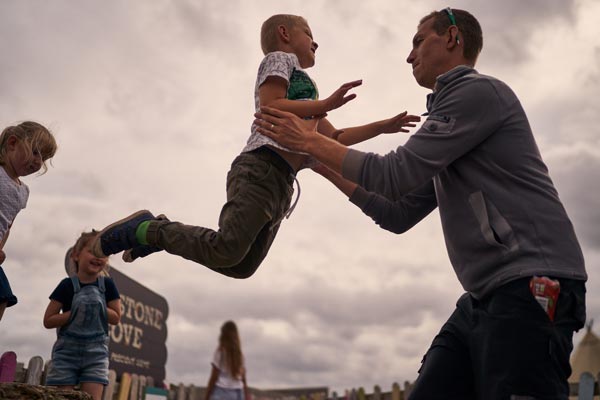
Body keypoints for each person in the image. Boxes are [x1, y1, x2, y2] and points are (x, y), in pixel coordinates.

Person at [253, 8, 587, 400]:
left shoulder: (478, 94)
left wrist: (313, 142)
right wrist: (320, 162)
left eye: (417, 41)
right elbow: (397, 213)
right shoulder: (448, 123)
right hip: (483, 298)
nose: (409, 56)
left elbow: (394, 173)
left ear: (451, 39)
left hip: (531, 283)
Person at [90, 14, 420, 279]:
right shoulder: (280, 60)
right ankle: (148, 230)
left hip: (281, 184)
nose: (315, 40)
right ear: (285, 33)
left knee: (241, 266)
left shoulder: (308, 92)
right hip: (261, 168)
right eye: (308, 32)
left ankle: (157, 234)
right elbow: (271, 104)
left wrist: (382, 127)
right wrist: (328, 103)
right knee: (226, 249)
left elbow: (333, 139)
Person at [44, 231, 122, 400]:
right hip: (66, 354)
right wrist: (74, 313)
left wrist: (98, 306)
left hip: (96, 354)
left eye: (103, 253)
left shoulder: (108, 285)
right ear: (76, 255)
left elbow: (116, 317)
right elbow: (48, 320)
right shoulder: (66, 285)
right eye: (92, 251)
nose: (98, 257)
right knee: (61, 397)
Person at [0, 121, 57, 321]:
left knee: (3, 296)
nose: (38, 161)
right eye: (35, 152)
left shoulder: (23, 191)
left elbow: (8, 224)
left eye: (44, 158)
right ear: (12, 143)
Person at [204, 321, 249, 400]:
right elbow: (243, 379)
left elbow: (214, 376)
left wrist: (207, 396)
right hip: (238, 392)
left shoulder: (220, 352)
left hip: (221, 392)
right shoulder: (240, 355)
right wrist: (246, 395)